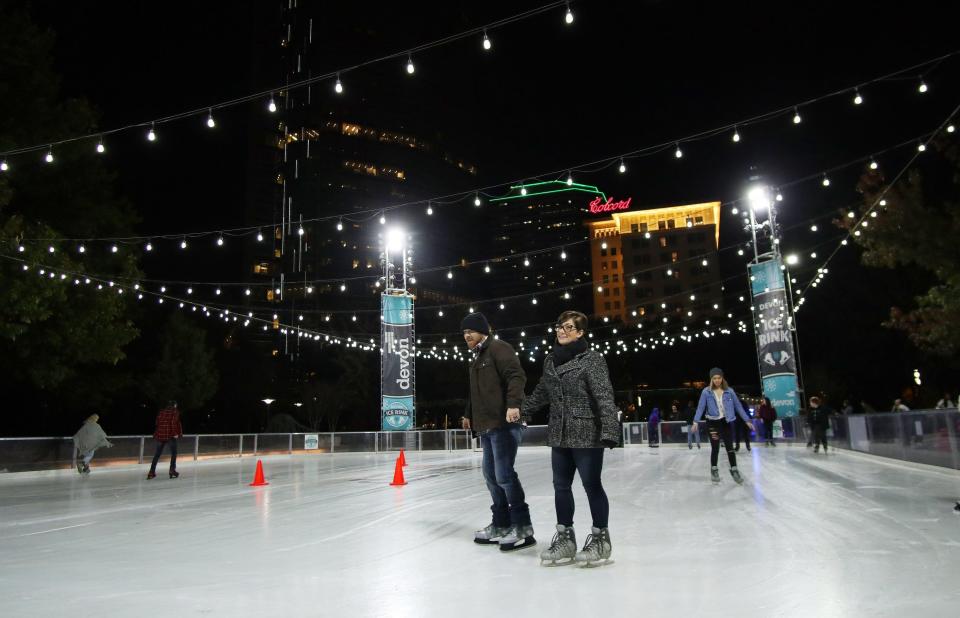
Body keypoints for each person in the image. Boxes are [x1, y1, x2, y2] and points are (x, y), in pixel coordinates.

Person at [521, 310, 619, 567]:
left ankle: (601, 539)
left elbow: (604, 396)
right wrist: (522, 410)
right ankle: (565, 539)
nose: (560, 331)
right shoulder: (550, 360)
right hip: (559, 432)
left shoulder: (593, 360)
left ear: (580, 332)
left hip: (587, 432)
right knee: (560, 486)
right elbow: (543, 391)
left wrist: (610, 430)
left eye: (567, 327)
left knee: (591, 485)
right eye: (559, 326)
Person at [460, 312, 535, 552]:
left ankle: (522, 526)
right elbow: (476, 392)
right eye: (463, 333)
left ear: (482, 330)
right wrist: (468, 414)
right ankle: (502, 524)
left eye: (470, 331)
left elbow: (516, 376)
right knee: (491, 476)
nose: (466, 336)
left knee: (504, 475)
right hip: (487, 425)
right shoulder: (478, 356)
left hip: (504, 423)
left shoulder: (498, 348)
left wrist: (514, 405)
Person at [692, 368, 754, 484]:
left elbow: (738, 406)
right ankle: (714, 469)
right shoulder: (706, 392)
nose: (717, 380)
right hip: (712, 423)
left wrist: (747, 420)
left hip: (725, 422)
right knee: (715, 447)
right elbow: (700, 407)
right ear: (711, 379)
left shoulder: (729, 391)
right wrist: (695, 421)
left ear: (722, 378)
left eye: (719, 378)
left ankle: (734, 470)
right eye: (714, 378)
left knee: (730, 447)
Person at [148, 400, 183, 479]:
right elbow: (173, 423)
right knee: (174, 453)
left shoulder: (161, 412)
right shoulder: (174, 412)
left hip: (160, 435)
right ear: (174, 405)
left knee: (157, 454)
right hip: (170, 435)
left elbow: (157, 423)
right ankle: (172, 470)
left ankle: (151, 471)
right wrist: (175, 434)